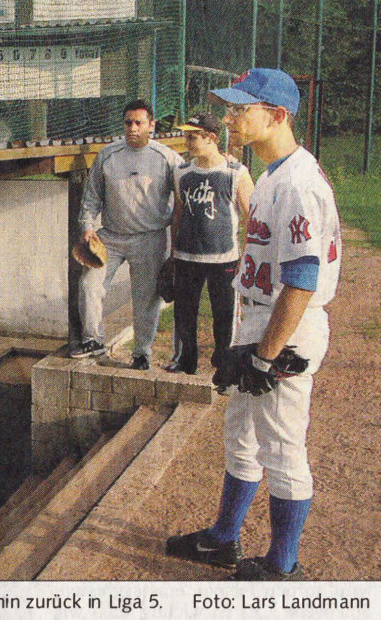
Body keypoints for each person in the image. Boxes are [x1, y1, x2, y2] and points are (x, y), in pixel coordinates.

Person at [165, 68, 341, 580]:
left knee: (283, 447)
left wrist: (264, 354)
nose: (229, 118)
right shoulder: (268, 174)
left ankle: (284, 565)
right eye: (231, 108)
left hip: (286, 327)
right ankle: (223, 539)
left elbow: (303, 280)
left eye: (241, 109)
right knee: (241, 434)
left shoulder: (298, 184)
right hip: (258, 317)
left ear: (278, 115)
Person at [70, 99, 185, 370]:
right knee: (90, 285)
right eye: (127, 123)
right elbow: (91, 197)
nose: (132, 128)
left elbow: (185, 191)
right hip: (110, 236)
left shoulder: (167, 158)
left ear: (151, 125)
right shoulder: (108, 155)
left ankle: (142, 352)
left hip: (149, 237)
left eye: (139, 123)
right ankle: (93, 340)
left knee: (146, 296)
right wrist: (87, 227)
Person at [166, 112, 254, 374]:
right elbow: (178, 214)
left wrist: (245, 257)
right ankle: (186, 362)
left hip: (224, 258)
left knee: (224, 318)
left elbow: (251, 218)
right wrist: (173, 253)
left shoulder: (234, 172)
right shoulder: (182, 172)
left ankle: (225, 368)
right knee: (184, 315)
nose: (187, 141)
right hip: (187, 256)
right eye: (186, 136)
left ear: (211, 138)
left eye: (192, 137)